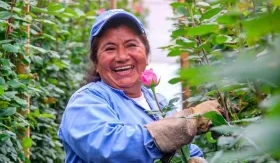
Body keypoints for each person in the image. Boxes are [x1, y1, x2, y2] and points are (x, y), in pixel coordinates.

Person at [58, 9, 224, 163]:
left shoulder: (160, 103)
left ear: (146, 54)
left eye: (131, 45)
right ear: (95, 61)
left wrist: (195, 158)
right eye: (110, 48)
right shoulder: (85, 102)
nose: (122, 56)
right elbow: (112, 149)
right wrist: (189, 121)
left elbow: (185, 149)